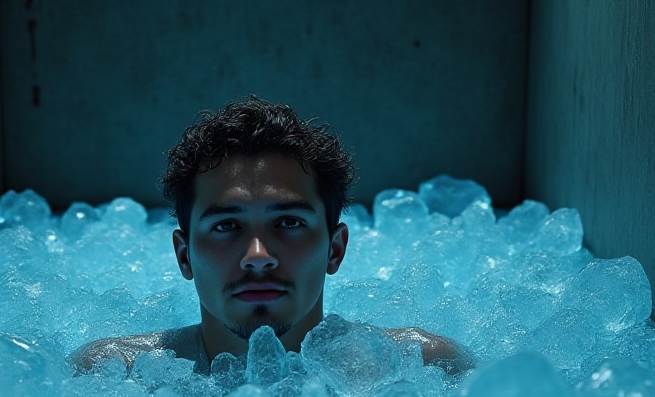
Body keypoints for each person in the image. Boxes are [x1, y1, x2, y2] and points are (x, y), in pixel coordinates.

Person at [71, 96, 473, 376]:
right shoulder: (114, 375)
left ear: (335, 250)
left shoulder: (423, 368)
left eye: (289, 223)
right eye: (226, 226)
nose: (258, 255)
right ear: (184, 256)